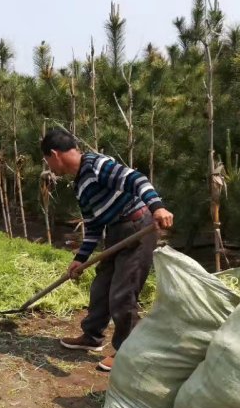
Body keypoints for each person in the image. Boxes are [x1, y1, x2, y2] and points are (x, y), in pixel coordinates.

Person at [41, 128, 174, 372]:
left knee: (123, 293)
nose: (50, 167)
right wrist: (79, 259)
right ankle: (92, 336)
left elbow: (136, 179)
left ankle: (128, 352)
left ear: (54, 154)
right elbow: (93, 226)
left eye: (48, 161)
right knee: (101, 287)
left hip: (137, 226)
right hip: (115, 231)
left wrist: (157, 207)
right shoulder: (80, 184)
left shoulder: (96, 165)